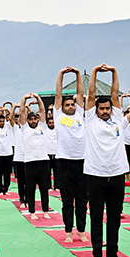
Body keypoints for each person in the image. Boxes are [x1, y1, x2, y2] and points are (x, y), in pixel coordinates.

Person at [84, 64, 130, 257]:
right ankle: (97, 254)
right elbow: (90, 95)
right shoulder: (90, 120)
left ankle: (113, 253)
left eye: (108, 108)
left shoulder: (119, 121)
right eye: (102, 109)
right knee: (97, 216)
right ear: (96, 110)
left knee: (114, 218)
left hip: (117, 174)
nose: (106, 111)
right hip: (95, 174)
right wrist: (96, 71)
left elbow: (115, 93)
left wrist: (115, 71)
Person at [54, 66, 89, 244]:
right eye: (67, 105)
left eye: (72, 104)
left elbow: (81, 93)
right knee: (67, 201)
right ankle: (68, 231)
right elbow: (58, 94)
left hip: (82, 162)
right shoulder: (59, 116)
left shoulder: (81, 116)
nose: (70, 106)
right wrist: (61, 74)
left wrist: (77, 75)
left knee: (82, 201)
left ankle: (81, 230)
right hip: (64, 162)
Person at [18, 92, 51, 220]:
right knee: (30, 189)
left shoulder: (42, 126)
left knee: (44, 188)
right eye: (31, 119)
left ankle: (45, 211)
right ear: (27, 121)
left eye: (35, 119)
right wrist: (24, 99)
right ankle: (32, 211)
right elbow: (21, 113)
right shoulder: (25, 128)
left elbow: (42, 110)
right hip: (30, 162)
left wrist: (38, 98)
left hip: (43, 161)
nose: (33, 121)